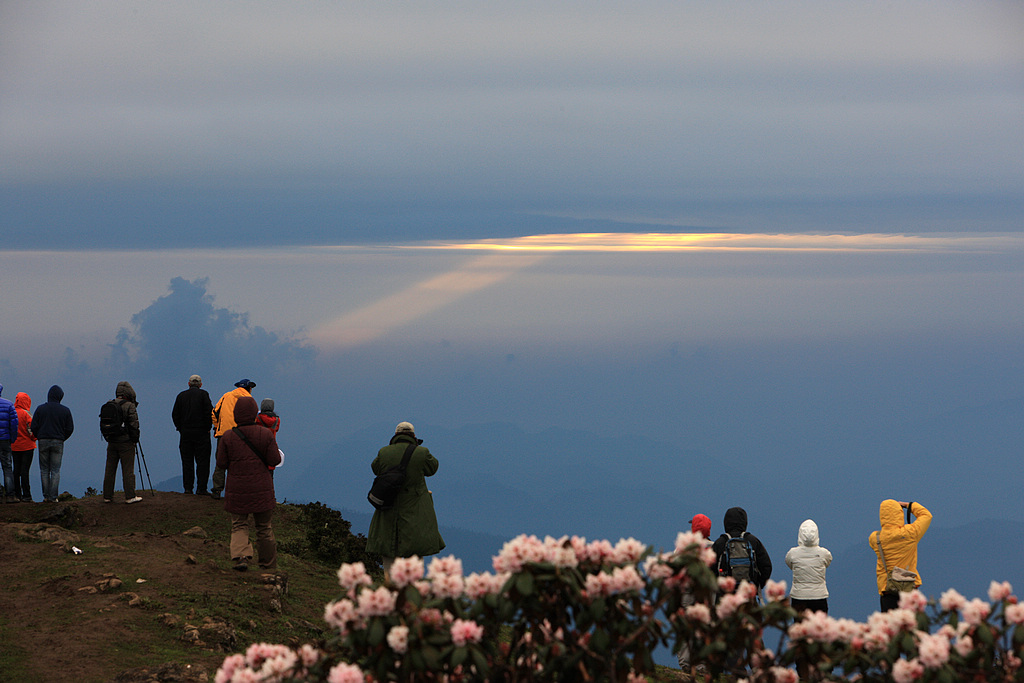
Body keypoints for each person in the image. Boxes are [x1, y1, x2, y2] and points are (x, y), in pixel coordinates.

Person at [366, 422, 445, 576]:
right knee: (415, 550)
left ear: (395, 435)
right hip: (415, 508)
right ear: (414, 436)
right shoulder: (422, 452)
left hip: (389, 505)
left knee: (389, 550)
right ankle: (413, 588)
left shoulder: (384, 452)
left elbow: (376, 468)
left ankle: (391, 586)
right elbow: (432, 468)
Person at [215, 395, 281, 571]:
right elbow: (274, 460)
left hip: (237, 489)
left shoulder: (229, 437)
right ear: (254, 414)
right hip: (262, 488)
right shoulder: (266, 434)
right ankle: (268, 564)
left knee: (239, 524)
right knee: (264, 527)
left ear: (236, 414)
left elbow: (221, 463)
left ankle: (241, 557)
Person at [869, 499, 932, 612]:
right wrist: (908, 505)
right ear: (899, 514)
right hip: (909, 589)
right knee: (911, 626)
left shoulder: (875, 538)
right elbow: (926, 515)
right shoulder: (910, 533)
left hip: (888, 590)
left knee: (889, 627)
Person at [209, 378, 256, 499]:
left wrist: (217, 427)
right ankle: (236, 492)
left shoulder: (226, 396)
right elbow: (252, 419)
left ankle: (217, 491)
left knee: (220, 462)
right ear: (249, 388)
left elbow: (214, 413)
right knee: (238, 463)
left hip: (223, 434)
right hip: (240, 435)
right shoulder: (249, 400)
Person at [677, 513, 712, 674]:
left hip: (687, 593)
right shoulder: (714, 547)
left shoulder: (683, 547)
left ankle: (685, 662)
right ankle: (702, 666)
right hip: (707, 595)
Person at [30, 385, 74, 502]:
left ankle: (45, 496)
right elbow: (70, 428)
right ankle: (53, 497)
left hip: (43, 440)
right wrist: (62, 438)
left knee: (44, 470)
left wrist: (39, 436)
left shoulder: (40, 409)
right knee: (55, 470)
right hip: (58, 441)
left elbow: (33, 426)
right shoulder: (65, 410)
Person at [171, 374, 214, 495]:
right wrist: (207, 428)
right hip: (201, 433)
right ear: (200, 384)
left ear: (188, 384)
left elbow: (175, 415)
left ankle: (188, 488)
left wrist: (180, 428)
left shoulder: (181, 396)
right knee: (203, 462)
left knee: (187, 461)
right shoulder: (204, 395)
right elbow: (209, 412)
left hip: (185, 434)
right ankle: (201, 488)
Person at [712, 507, 773, 590]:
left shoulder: (720, 542)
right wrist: (756, 586)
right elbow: (766, 567)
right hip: (747, 592)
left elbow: (709, 568)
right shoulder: (753, 541)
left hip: (725, 594)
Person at [102, 381, 142, 504]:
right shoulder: (130, 405)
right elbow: (134, 424)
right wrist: (135, 439)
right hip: (126, 442)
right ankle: (130, 496)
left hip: (111, 441)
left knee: (110, 469)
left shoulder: (110, 404)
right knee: (128, 470)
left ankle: (107, 496)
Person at [785, 519, 832, 613]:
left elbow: (790, 564)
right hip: (819, 596)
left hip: (798, 596)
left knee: (800, 626)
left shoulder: (792, 553)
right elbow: (828, 562)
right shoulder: (824, 553)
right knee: (819, 626)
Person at [12, 392, 37, 502]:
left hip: (14, 446)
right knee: (24, 471)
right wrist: (34, 438)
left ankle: (17, 494)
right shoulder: (27, 414)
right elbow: (32, 430)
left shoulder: (12, 412)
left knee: (16, 471)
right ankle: (27, 495)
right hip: (27, 446)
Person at [0, 383, 18, 503]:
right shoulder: (9, 404)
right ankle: (10, 495)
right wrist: (12, 438)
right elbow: (14, 423)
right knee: (7, 466)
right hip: (5, 440)